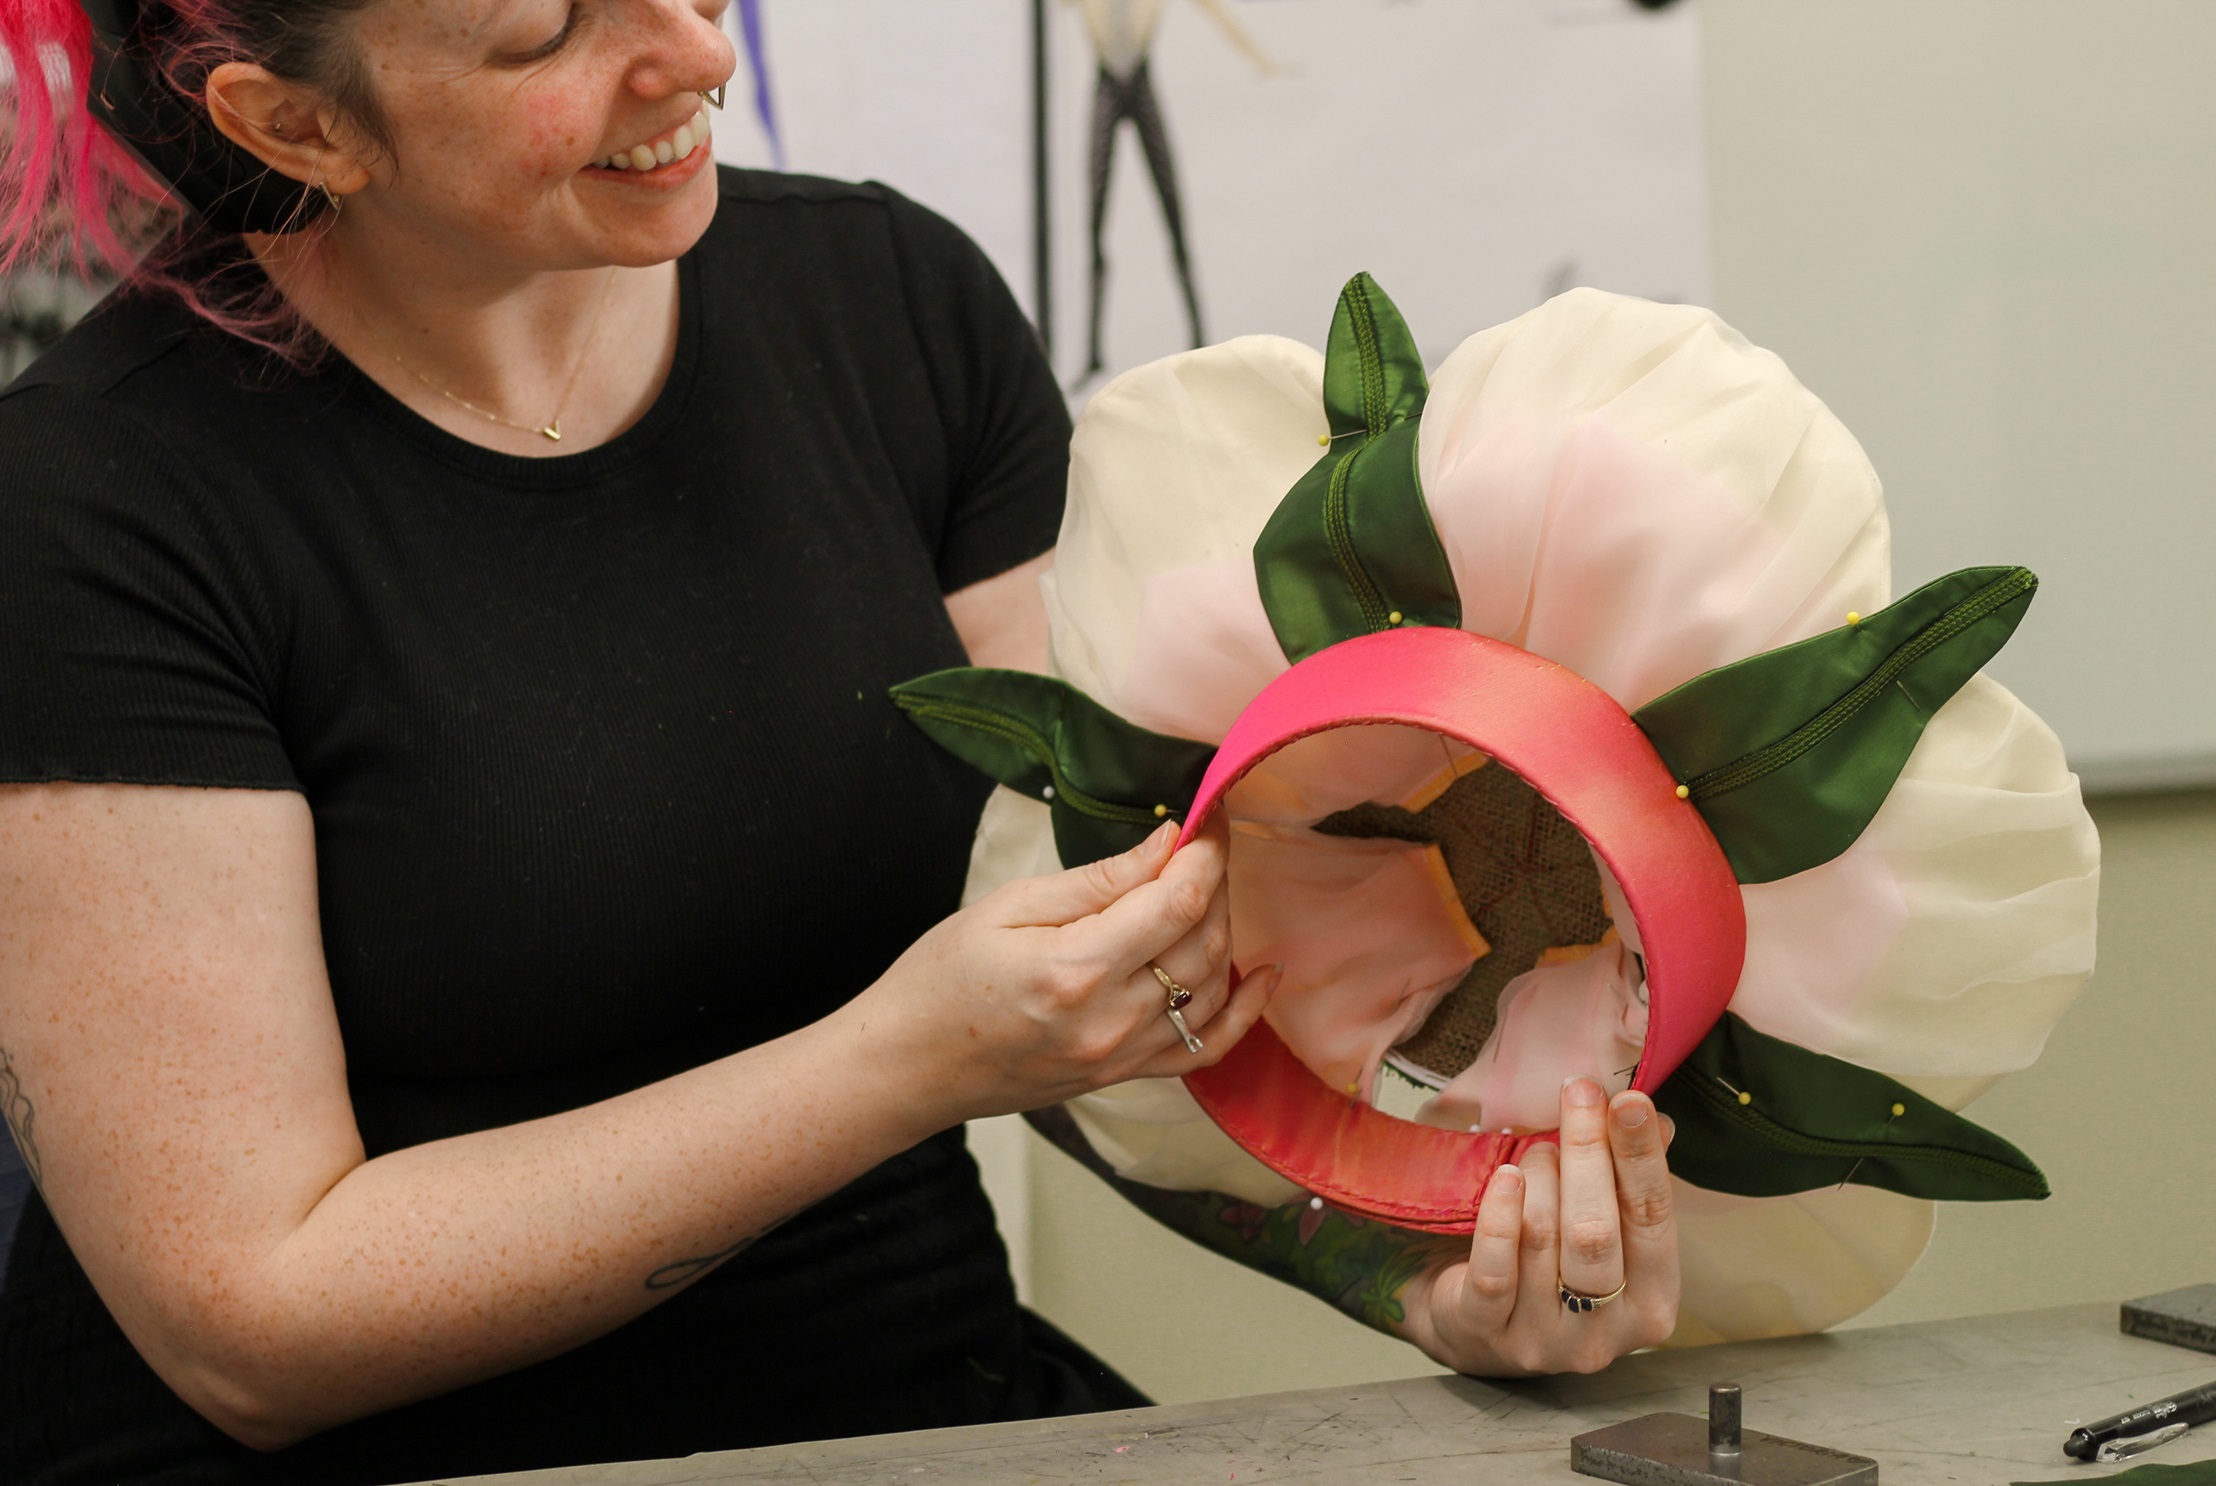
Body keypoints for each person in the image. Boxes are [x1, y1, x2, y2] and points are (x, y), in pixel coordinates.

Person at [0, 2, 1681, 1481]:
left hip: (914, 1402)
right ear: (297, 124)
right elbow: (256, 1324)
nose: (694, 54)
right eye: (548, 30)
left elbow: (1128, 965)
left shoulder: (888, 300)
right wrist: (906, 1060)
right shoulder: (95, 506)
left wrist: (1415, 1267)